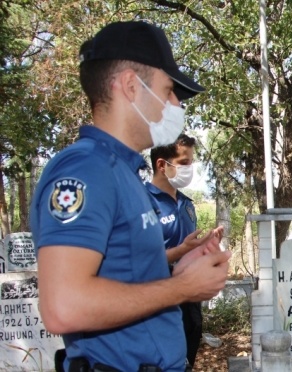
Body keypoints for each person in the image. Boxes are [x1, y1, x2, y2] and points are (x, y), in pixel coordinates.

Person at [29, 21, 231, 371]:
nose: (174, 105)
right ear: (130, 86)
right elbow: (63, 306)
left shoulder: (122, 173)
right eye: (169, 90)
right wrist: (181, 288)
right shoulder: (85, 171)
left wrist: (177, 270)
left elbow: (124, 280)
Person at [147, 134, 224, 369]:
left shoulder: (187, 204)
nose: (190, 169)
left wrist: (206, 244)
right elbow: (140, 260)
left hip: (190, 294)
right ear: (162, 165)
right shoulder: (143, 202)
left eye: (191, 162)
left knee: (188, 347)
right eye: (184, 163)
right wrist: (180, 251)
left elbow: (188, 248)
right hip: (157, 295)